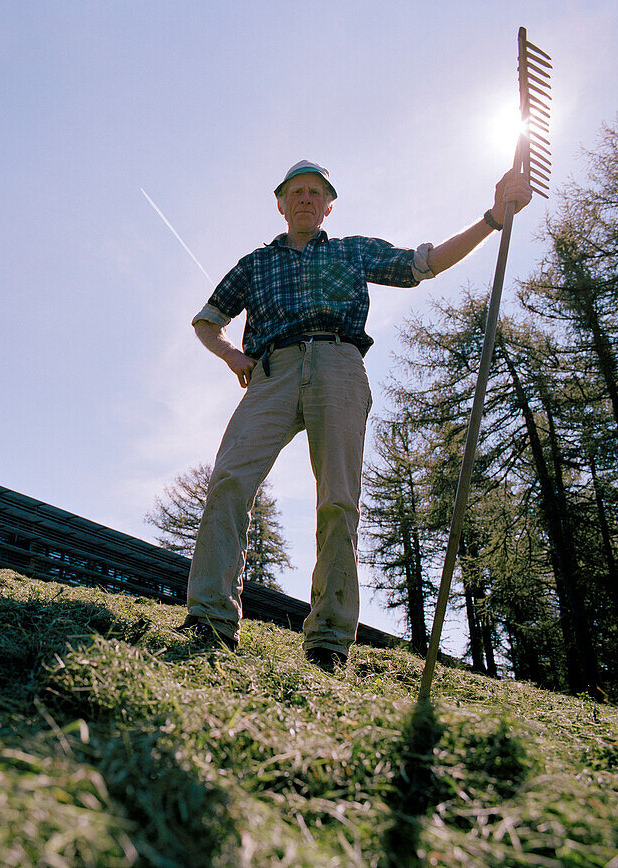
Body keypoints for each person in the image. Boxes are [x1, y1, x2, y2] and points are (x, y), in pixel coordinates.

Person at [177, 159, 532, 668]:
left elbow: (423, 263)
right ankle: (209, 619)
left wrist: (492, 219)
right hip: (271, 371)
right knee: (230, 478)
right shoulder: (254, 264)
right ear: (280, 204)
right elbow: (208, 321)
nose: (304, 199)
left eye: (314, 192)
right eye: (295, 192)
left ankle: (329, 638)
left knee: (338, 500)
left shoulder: (351, 252)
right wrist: (234, 356)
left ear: (328, 205)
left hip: (339, 365)